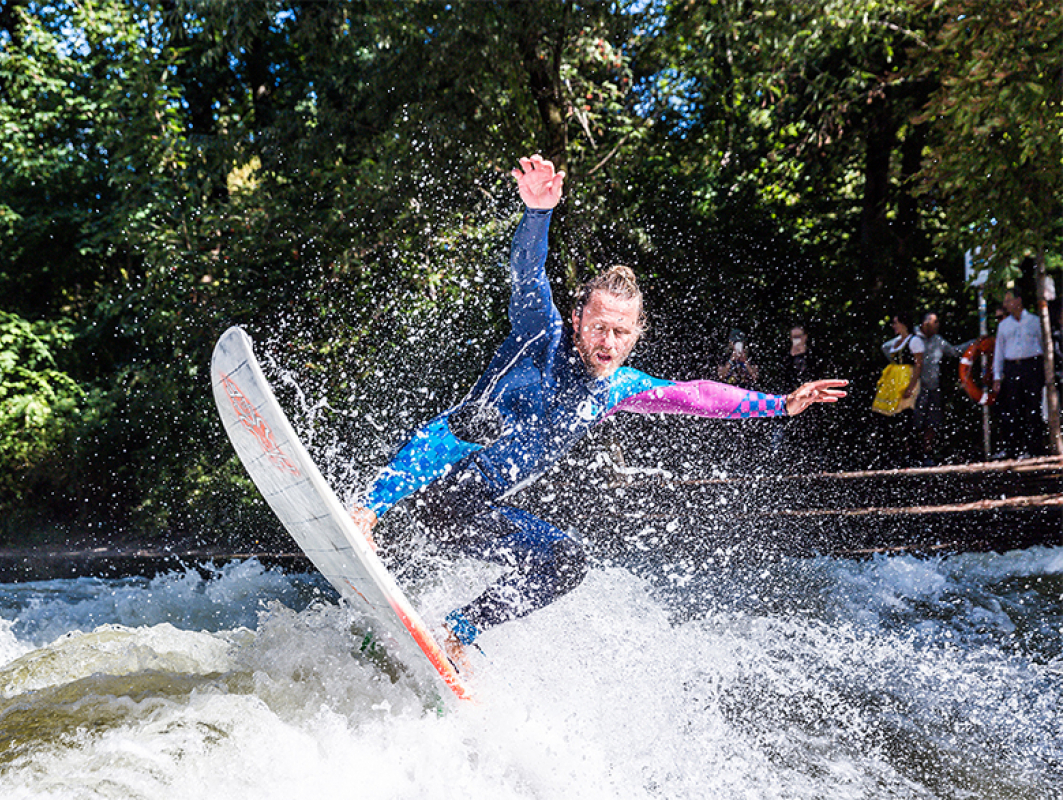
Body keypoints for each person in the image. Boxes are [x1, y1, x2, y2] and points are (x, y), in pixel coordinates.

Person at [350, 155, 847, 659]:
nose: (608, 341)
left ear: (636, 334)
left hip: (464, 512)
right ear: (576, 317)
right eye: (598, 327)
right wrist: (537, 213)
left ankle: (457, 630)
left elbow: (698, 394)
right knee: (479, 419)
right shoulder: (539, 329)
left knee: (566, 561)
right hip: (423, 479)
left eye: (621, 332)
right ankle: (366, 511)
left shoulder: (618, 389)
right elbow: (527, 269)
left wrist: (780, 404)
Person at [992, 287, 1045, 458]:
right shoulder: (1004, 325)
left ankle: (1035, 448)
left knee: (1033, 407)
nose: (1006, 304)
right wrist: (997, 376)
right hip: (1012, 366)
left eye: (1009, 300)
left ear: (1018, 300)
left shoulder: (1035, 321)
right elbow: (999, 351)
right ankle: (1016, 448)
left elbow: (1044, 345)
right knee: (1014, 408)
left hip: (1032, 365)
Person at [910, 312, 968, 467]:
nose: (937, 325)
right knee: (915, 422)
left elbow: (954, 352)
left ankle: (927, 454)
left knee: (932, 422)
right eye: (934, 322)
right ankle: (912, 454)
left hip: (933, 387)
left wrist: (974, 343)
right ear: (925, 323)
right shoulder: (913, 339)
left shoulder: (938, 341)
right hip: (916, 389)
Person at [878, 312, 923, 466]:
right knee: (889, 418)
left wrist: (911, 386)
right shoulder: (896, 341)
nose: (894, 326)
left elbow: (918, 365)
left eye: (896, 323)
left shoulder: (915, 341)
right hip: (894, 380)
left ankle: (913, 454)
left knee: (906, 417)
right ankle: (893, 455)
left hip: (907, 379)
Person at [772, 324, 817, 453]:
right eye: (793, 337)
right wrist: (791, 357)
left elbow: (816, 374)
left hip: (811, 402)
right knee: (787, 435)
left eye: (798, 336)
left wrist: (804, 355)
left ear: (805, 337)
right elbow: (781, 377)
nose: (796, 339)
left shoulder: (813, 355)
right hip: (791, 398)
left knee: (811, 435)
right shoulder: (785, 355)